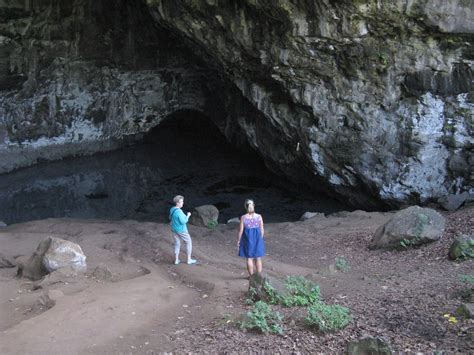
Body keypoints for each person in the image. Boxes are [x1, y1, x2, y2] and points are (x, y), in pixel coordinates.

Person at [237, 199, 265, 276]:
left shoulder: (243, 217)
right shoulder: (259, 216)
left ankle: (251, 276)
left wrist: (239, 241)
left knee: (249, 258)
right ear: (254, 205)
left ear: (245, 207)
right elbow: (262, 229)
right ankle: (259, 276)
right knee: (258, 258)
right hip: (258, 238)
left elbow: (241, 231)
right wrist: (260, 238)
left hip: (248, 239)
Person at [169, 195, 197, 265]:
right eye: (181, 201)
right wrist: (188, 215)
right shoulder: (179, 212)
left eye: (182, 201)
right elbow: (183, 221)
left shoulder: (172, 209)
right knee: (188, 242)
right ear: (177, 203)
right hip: (181, 230)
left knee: (177, 243)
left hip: (174, 229)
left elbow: (170, 217)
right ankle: (189, 259)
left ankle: (176, 260)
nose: (182, 203)